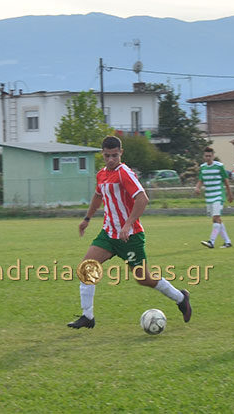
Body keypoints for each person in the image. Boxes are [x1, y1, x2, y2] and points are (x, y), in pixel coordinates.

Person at [68, 136, 192, 329]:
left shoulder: (124, 173)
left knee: (144, 279)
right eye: (107, 155)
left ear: (121, 153)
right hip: (108, 234)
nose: (111, 159)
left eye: (114, 155)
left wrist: (127, 225)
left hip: (130, 237)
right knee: (86, 268)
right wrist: (86, 219)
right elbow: (98, 196)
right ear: (102, 153)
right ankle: (88, 317)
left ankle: (180, 298)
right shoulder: (101, 174)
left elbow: (143, 199)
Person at [195, 146, 234, 248]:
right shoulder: (203, 167)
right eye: (206, 156)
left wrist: (230, 194)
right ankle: (227, 242)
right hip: (209, 196)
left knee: (216, 218)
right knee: (216, 220)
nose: (208, 158)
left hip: (218, 195)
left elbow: (226, 181)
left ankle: (211, 242)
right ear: (204, 156)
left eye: (209, 156)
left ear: (213, 156)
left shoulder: (219, 166)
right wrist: (197, 188)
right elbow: (201, 180)